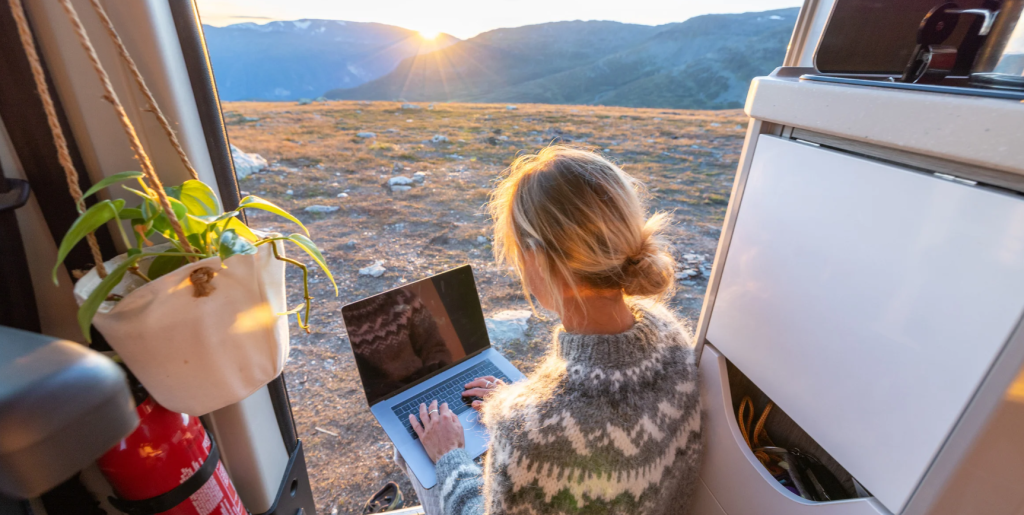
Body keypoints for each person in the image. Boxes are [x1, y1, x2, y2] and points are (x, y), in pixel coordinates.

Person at [399, 146, 702, 514]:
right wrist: (525, 400)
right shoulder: (671, 336)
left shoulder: (529, 431)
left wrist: (450, 458)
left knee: (409, 448)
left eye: (516, 254)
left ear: (539, 259)